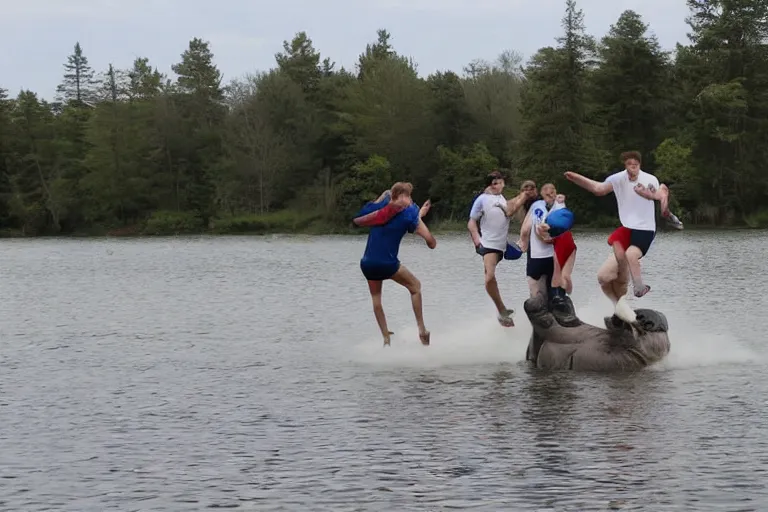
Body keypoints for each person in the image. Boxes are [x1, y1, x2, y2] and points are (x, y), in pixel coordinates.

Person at [563, 151, 676, 322]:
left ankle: (634, 291)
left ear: (640, 165)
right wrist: (576, 178)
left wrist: (663, 205)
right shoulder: (618, 179)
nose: (633, 168)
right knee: (603, 277)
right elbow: (598, 189)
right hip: (627, 229)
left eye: (636, 164)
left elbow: (656, 194)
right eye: (630, 164)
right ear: (625, 165)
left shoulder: (649, 179)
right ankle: (619, 306)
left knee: (631, 256)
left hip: (645, 229)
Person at [354, 182, 435, 346]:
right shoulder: (409, 214)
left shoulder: (379, 209)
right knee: (415, 287)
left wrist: (418, 215)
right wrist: (420, 221)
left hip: (367, 264)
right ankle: (421, 330)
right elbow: (430, 242)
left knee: (376, 300)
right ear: (405, 196)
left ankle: (385, 337)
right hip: (388, 264)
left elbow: (375, 212)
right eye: (409, 196)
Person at [468, 171, 535, 327]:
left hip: (502, 245)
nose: (499, 185)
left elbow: (510, 207)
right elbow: (471, 223)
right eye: (496, 182)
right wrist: (477, 240)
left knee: (522, 251)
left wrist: (524, 195)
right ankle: (502, 310)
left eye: (501, 182)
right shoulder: (482, 199)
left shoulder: (501, 198)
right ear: (490, 184)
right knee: (489, 277)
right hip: (489, 245)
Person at [520, 183, 560, 303]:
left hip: (537, 255)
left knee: (535, 286)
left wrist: (523, 244)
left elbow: (525, 230)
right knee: (554, 287)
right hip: (555, 255)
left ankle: (538, 308)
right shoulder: (560, 207)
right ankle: (557, 307)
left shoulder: (536, 205)